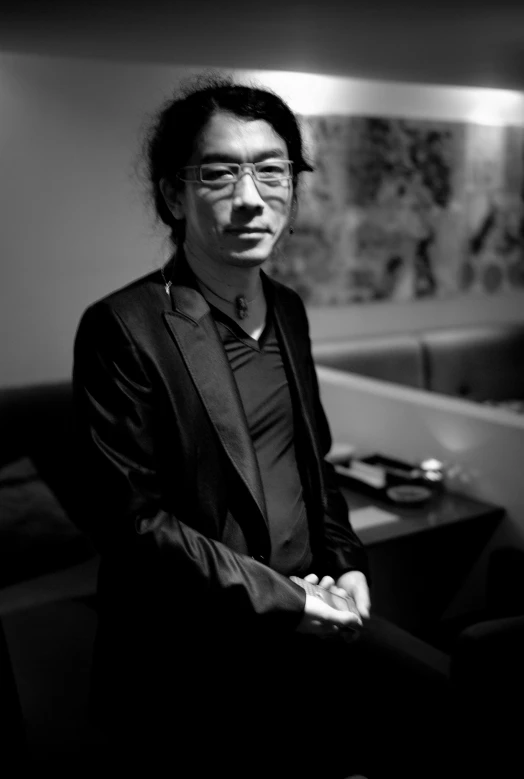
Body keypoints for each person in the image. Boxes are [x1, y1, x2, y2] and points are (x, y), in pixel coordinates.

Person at [73, 75, 450, 779]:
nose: (251, 197)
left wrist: (346, 564)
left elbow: (314, 467)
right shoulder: (123, 328)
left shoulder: (288, 308)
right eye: (219, 173)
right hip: (191, 652)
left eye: (272, 172)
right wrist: (290, 597)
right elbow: (133, 524)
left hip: (303, 634)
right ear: (172, 194)